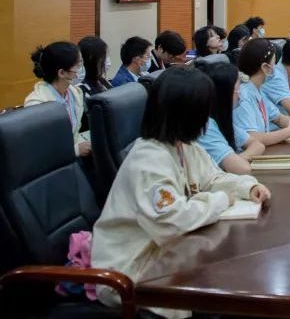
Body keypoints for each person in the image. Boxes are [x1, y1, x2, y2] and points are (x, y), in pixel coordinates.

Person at [91, 67, 271, 317]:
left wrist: (247, 187)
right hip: (131, 269)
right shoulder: (148, 160)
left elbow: (213, 177)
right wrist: (220, 200)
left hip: (166, 252)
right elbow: (171, 221)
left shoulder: (183, 145)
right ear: (187, 115)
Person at [234, 39, 290, 145]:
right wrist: (289, 131)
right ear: (265, 67)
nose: (276, 70)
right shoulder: (242, 96)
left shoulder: (257, 90)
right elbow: (253, 138)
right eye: (274, 63)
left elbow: (278, 118)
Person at [195, 62, 266, 174]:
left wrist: (237, 159)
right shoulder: (205, 126)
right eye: (237, 90)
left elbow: (258, 145)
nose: (240, 95)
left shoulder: (222, 119)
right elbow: (242, 168)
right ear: (222, 95)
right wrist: (235, 161)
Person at [25, 42, 89, 157]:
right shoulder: (36, 104)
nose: (81, 69)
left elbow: (73, 135)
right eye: (78, 65)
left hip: (72, 160)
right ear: (62, 73)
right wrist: (75, 150)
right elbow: (40, 151)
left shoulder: (75, 93)